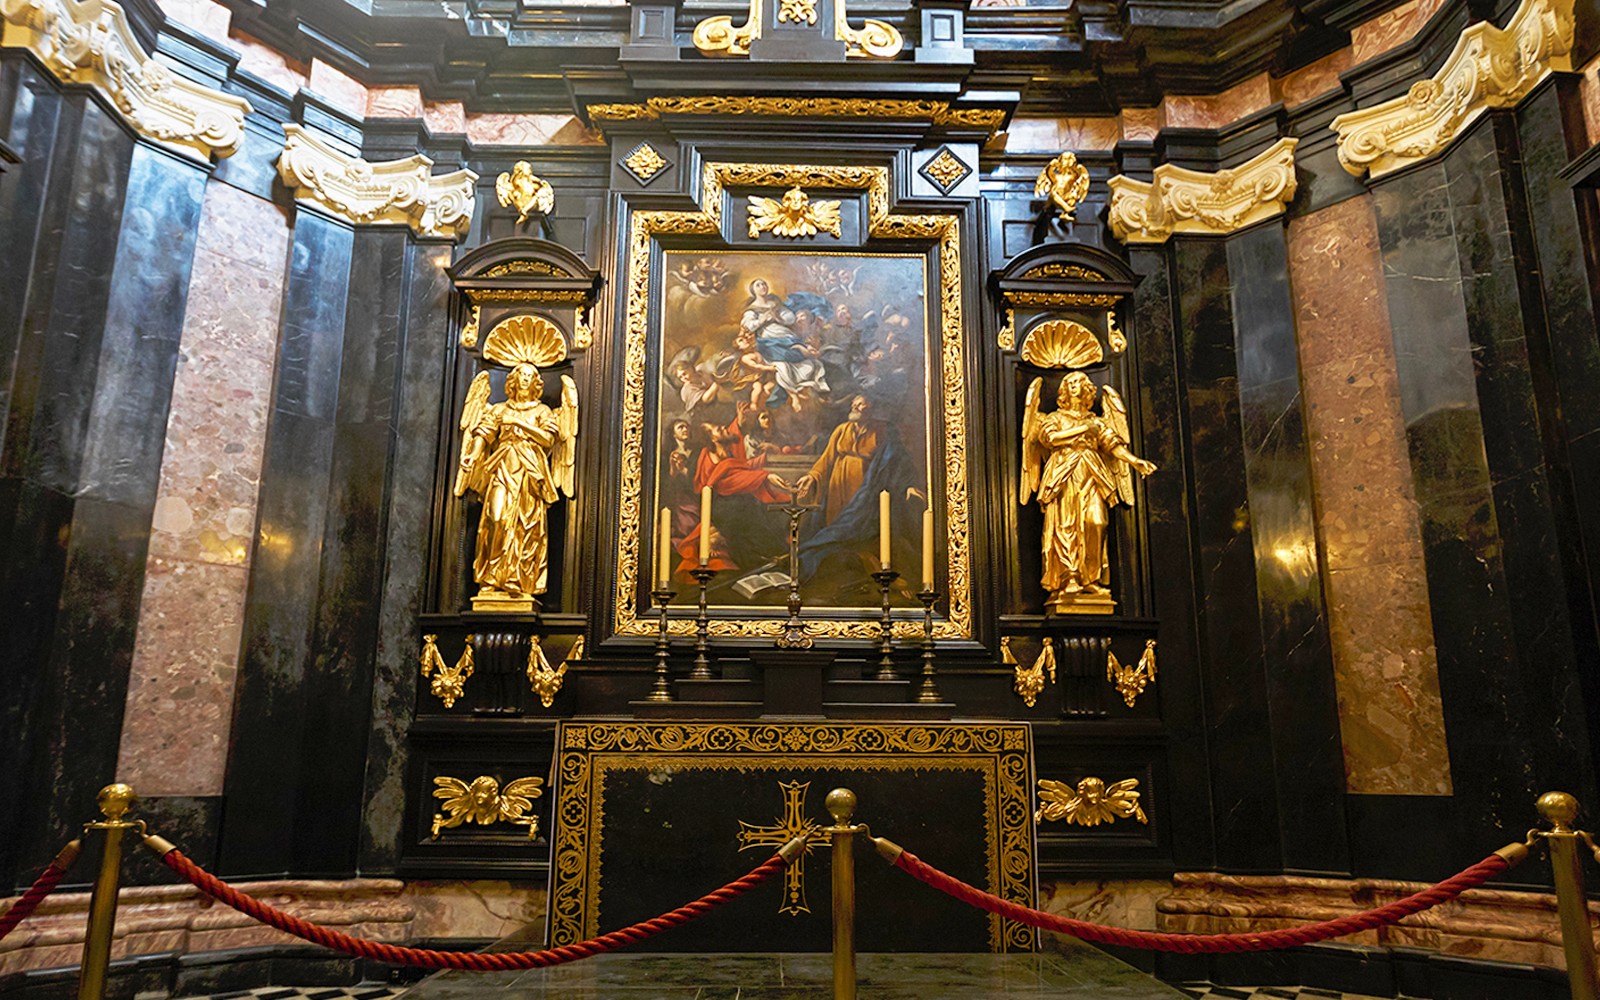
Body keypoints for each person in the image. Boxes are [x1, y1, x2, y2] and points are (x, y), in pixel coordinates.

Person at [1020, 371, 1156, 611]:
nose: (1074, 387)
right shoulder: (1054, 417)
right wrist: (1083, 431)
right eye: (1070, 383)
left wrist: (1135, 462)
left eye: (1079, 383)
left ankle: (1090, 579)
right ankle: (1069, 577)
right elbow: (1050, 439)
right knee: (1066, 526)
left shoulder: (1098, 421)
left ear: (1087, 390)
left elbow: (1113, 446)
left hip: (1092, 473)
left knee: (1096, 522)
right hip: (1064, 473)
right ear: (1064, 390)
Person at [455, 363, 577, 602]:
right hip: (502, 467)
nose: (525, 379)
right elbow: (484, 433)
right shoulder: (499, 409)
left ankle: (517, 578)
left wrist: (519, 423)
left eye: (530, 376)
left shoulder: (542, 411)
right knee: (496, 518)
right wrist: (473, 453)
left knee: (525, 525)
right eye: (521, 374)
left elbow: (548, 440)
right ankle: (491, 578)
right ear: (513, 379)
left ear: (536, 383)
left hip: (529, 473)